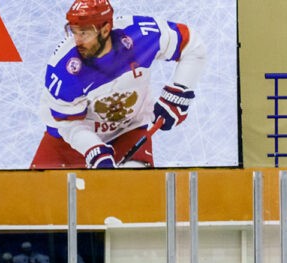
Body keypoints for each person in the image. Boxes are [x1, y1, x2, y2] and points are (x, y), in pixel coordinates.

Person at [31, 0, 207, 169]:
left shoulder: (141, 35)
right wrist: (93, 149)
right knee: (30, 199)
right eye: (73, 31)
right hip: (66, 142)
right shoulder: (64, 69)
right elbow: (68, 125)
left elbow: (191, 45)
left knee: (135, 196)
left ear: (106, 29)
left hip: (128, 131)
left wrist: (179, 94)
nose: (77, 40)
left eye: (84, 32)